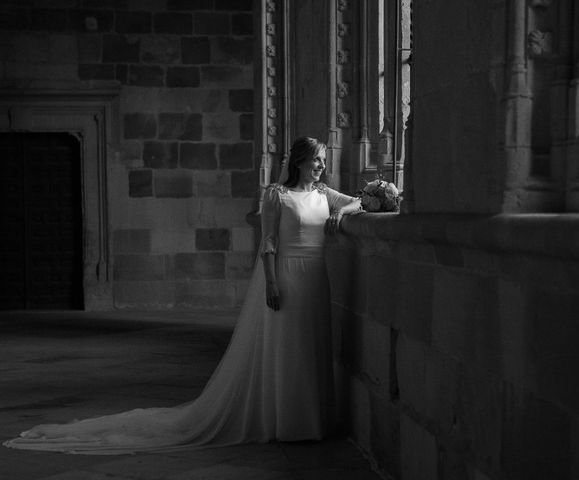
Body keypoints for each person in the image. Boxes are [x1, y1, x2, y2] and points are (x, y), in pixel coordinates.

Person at [2, 136, 361, 454]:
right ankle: (289, 424)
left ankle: (312, 422)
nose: (322, 166)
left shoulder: (323, 195)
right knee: (288, 347)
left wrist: (340, 212)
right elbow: (268, 242)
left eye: (324, 160)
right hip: (286, 274)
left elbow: (359, 202)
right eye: (317, 159)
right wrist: (270, 281)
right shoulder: (277, 195)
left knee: (312, 346)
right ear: (298, 160)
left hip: (316, 278)